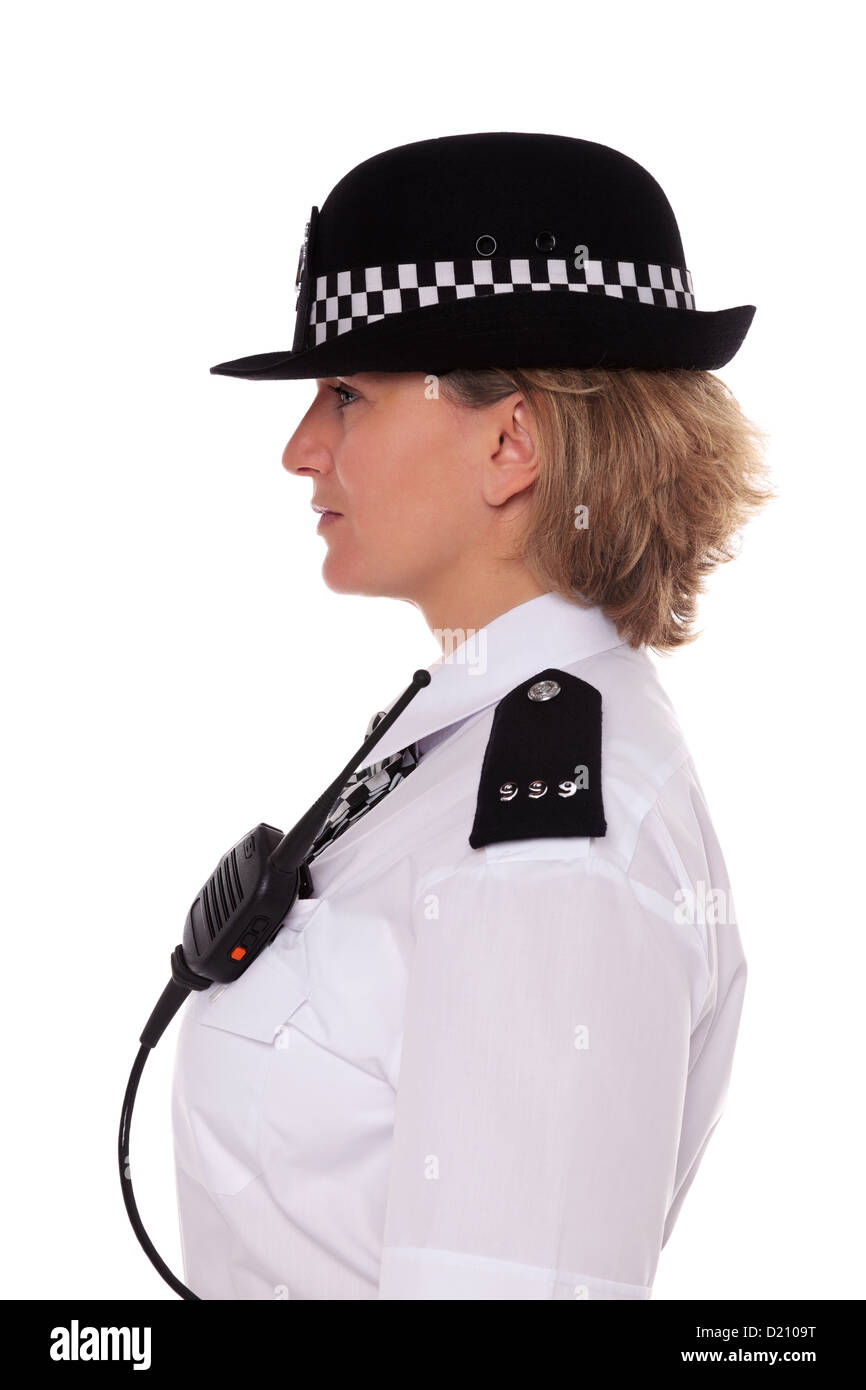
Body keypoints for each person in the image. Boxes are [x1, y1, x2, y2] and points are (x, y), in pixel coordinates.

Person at [170, 132, 772, 1299]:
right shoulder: (463, 742)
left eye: (346, 392)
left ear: (511, 442)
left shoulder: (549, 848)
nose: (300, 448)